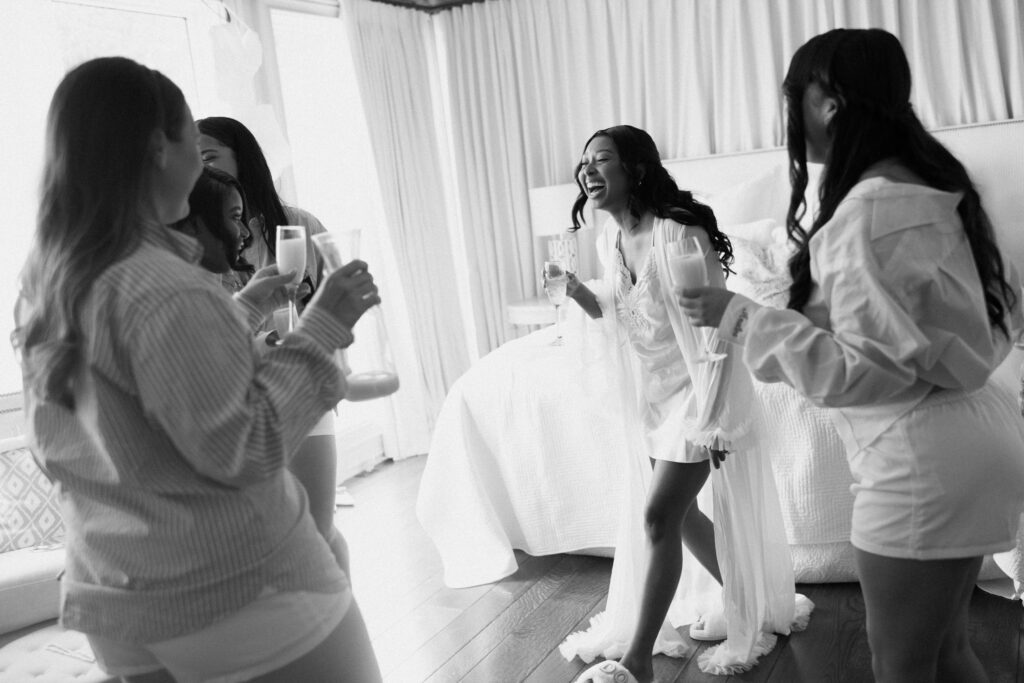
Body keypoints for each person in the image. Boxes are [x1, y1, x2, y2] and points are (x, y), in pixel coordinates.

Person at [13, 56, 383, 682]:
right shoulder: (164, 284)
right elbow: (247, 447)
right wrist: (324, 326)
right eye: (195, 142)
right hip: (233, 592)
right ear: (160, 148)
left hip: (115, 595)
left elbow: (145, 386)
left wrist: (240, 309)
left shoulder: (49, 279)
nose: (202, 164)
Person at [680, 28, 1024, 683]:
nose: (789, 114)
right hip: (984, 432)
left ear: (829, 102)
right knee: (949, 652)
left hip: (919, 461)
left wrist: (742, 317)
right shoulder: (938, 191)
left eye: (794, 96)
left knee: (899, 662)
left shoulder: (863, 216)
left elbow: (861, 371)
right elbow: (986, 318)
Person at [559, 126, 809, 682]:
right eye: (583, 163)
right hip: (653, 396)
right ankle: (755, 602)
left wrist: (717, 418)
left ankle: (638, 658)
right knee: (680, 515)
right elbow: (621, 310)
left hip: (700, 391)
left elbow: (716, 328)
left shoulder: (679, 235)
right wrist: (578, 292)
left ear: (637, 169)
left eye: (602, 160)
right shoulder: (608, 238)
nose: (587, 172)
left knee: (657, 515)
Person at [196, 115, 349, 575]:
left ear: (244, 158)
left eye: (209, 157)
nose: (197, 169)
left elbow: (341, 309)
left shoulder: (299, 225)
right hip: (236, 405)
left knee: (317, 529)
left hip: (298, 390)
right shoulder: (197, 241)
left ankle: (341, 623)